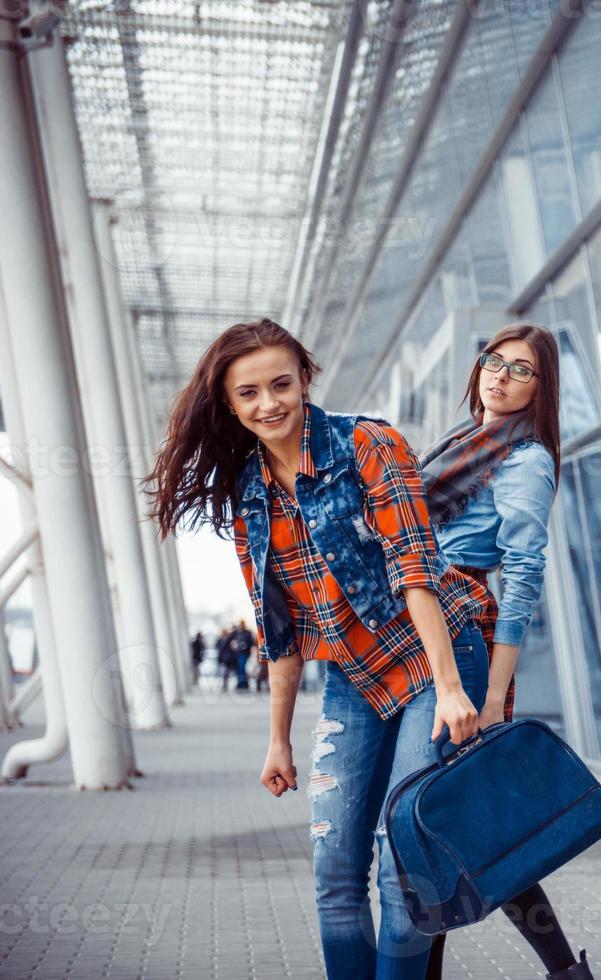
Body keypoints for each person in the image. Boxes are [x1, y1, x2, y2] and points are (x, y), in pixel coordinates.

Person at [146, 318, 497, 978]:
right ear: (228, 404)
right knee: (334, 873)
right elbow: (276, 629)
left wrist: (450, 687)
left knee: (403, 867)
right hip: (355, 678)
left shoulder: (367, 445)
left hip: (434, 658)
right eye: (247, 393)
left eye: (280, 384)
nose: (267, 403)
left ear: (305, 378)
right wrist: (276, 740)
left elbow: (415, 567)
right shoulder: (247, 495)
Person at [415, 324, 593, 980]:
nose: (499, 375)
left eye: (520, 370)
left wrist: (492, 698)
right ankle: (565, 973)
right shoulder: (463, 443)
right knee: (446, 818)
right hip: (423, 622)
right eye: (493, 361)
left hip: (461, 627)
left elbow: (521, 578)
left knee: (436, 814)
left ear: (541, 389)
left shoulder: (525, 459)